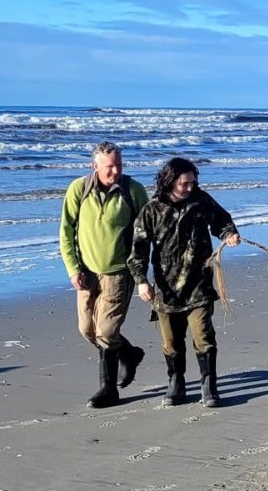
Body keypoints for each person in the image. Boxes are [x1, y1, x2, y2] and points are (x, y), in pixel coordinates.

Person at [128, 157, 241, 407]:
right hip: (166, 289)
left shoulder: (201, 201)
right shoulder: (152, 209)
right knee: (171, 341)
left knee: (203, 336)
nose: (190, 187)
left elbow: (221, 220)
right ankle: (176, 383)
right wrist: (141, 281)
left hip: (199, 284)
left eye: (193, 182)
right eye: (184, 183)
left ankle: (208, 386)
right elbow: (138, 249)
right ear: (170, 181)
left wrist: (229, 233)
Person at [59, 141, 149, 408]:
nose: (115, 171)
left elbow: (147, 233)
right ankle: (130, 354)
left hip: (120, 273)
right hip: (86, 273)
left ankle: (108, 390)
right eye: (109, 166)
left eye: (119, 165)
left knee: (107, 332)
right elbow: (66, 232)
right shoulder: (79, 189)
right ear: (95, 165)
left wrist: (142, 272)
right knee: (87, 330)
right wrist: (73, 269)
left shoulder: (133, 190)